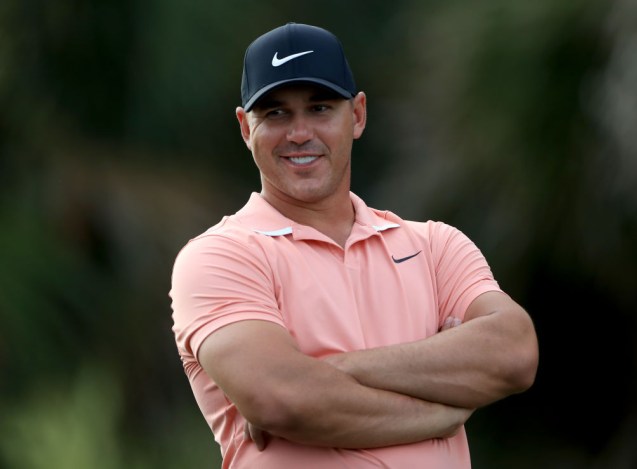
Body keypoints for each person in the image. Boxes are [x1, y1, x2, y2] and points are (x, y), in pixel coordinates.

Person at [170, 22, 538, 469]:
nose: (299, 133)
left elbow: (515, 352)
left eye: (320, 108)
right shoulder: (220, 256)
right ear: (246, 128)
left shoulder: (435, 245)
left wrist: (334, 371)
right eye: (276, 113)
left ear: (358, 115)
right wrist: (445, 411)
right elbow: (280, 399)